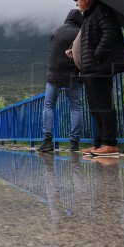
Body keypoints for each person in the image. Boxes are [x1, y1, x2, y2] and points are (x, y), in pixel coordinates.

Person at [71, 0, 124, 156]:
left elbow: (109, 34)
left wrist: (97, 56)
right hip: (90, 70)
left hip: (99, 68)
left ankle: (110, 143)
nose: (76, 3)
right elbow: (91, 40)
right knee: (95, 109)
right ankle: (99, 144)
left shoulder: (101, 10)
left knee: (104, 106)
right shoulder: (90, 15)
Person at [38, 9, 84, 153]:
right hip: (73, 76)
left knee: (49, 106)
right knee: (75, 108)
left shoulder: (55, 32)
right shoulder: (80, 34)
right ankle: (74, 143)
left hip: (54, 76)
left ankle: (47, 141)